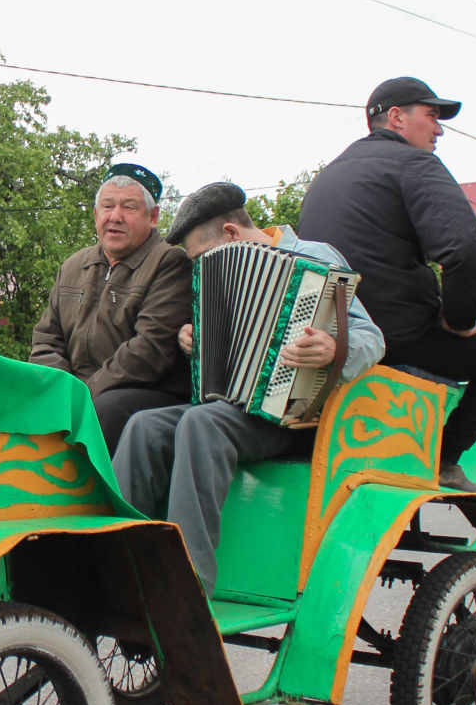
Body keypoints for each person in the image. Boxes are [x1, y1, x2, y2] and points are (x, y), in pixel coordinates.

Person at [113, 183, 384, 596]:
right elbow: (227, 342)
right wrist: (193, 339)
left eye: (202, 257)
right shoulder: (221, 272)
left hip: (293, 416)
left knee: (202, 425)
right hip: (232, 410)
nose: (200, 268)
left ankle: (187, 587)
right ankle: (116, 565)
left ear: (231, 235)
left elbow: (373, 338)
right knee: (143, 427)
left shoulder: (315, 256)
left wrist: (334, 349)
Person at [296, 76, 476, 496]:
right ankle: (445, 459)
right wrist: (462, 319)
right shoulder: (413, 163)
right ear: (396, 118)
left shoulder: (328, 176)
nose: (440, 129)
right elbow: (463, 251)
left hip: (332, 335)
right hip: (398, 337)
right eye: (432, 116)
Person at [31, 162, 193, 450]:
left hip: (143, 391)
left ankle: (87, 495)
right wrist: (64, 391)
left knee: (106, 409)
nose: (115, 217)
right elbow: (46, 340)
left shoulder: (169, 263)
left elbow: (149, 350)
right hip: (78, 391)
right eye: (107, 206)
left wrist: (84, 397)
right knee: (19, 399)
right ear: (96, 214)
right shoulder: (73, 266)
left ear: (153, 217)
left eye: (129, 208)